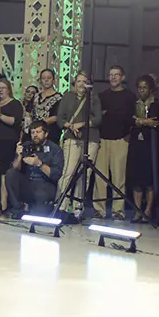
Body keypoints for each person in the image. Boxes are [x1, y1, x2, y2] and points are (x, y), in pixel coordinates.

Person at [56, 70, 103, 219]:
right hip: (72, 137)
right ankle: (62, 205)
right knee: (69, 172)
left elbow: (98, 119)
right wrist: (70, 126)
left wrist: (81, 124)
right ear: (74, 83)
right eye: (79, 81)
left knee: (85, 175)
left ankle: (78, 207)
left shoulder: (94, 98)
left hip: (91, 138)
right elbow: (60, 119)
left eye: (85, 81)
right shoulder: (68, 97)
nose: (82, 84)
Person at [95, 65, 137, 219]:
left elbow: (133, 117)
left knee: (119, 177)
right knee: (100, 177)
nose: (113, 77)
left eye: (116, 75)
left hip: (121, 139)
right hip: (102, 139)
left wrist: (128, 136)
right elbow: (97, 116)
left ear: (122, 77)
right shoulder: (102, 96)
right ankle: (99, 209)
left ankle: (118, 210)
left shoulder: (129, 96)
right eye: (111, 74)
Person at [5, 120, 64, 217]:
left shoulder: (55, 149)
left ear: (46, 134)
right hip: (29, 182)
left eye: (38, 132)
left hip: (45, 184)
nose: (35, 135)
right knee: (10, 174)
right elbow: (15, 168)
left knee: (38, 215)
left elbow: (56, 174)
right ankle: (18, 208)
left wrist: (39, 164)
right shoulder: (27, 145)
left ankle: (33, 208)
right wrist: (18, 155)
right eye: (32, 132)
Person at [126, 74, 159, 223]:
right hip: (136, 143)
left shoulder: (156, 104)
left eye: (144, 88)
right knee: (136, 178)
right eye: (139, 88)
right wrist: (144, 121)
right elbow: (129, 119)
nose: (141, 90)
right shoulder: (134, 104)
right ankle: (137, 210)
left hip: (150, 143)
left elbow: (156, 122)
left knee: (149, 179)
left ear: (151, 89)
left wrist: (138, 121)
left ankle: (148, 210)